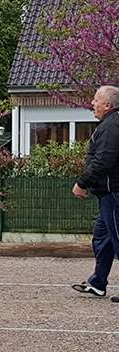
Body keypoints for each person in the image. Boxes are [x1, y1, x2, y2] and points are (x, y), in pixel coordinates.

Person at [71, 85, 119, 300]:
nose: (92, 103)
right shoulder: (110, 124)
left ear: (107, 105)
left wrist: (82, 183)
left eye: (96, 100)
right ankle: (98, 283)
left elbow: (104, 160)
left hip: (114, 194)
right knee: (102, 237)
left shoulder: (111, 126)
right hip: (107, 195)